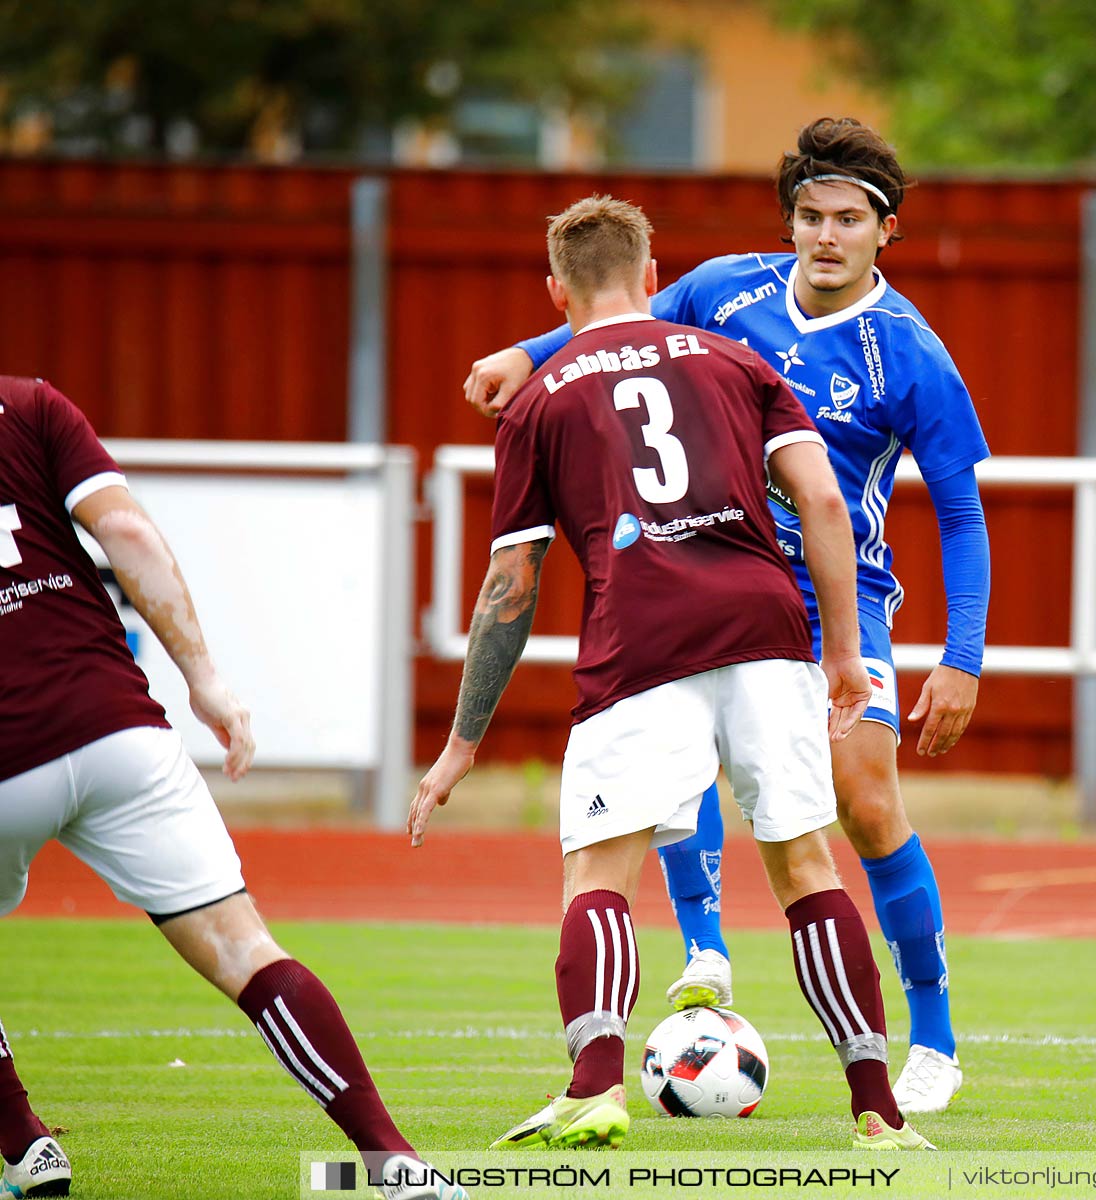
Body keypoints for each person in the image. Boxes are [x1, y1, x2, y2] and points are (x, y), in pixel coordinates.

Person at [461, 117, 988, 1115]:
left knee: (863, 795)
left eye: (846, 220)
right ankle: (704, 945)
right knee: (677, 756)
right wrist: (525, 354)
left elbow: (960, 512)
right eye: (808, 215)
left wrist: (961, 658)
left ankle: (936, 1033)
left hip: (842, 595)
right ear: (789, 219)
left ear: (884, 233)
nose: (824, 236)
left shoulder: (910, 352)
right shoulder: (724, 287)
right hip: (706, 566)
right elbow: (621, 314)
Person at [0, 377, 463, 1200]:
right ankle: (395, 1162)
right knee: (247, 951)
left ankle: (26, 1146)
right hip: (115, 729)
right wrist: (204, 679)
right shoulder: (30, 404)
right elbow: (129, 533)